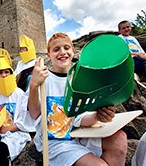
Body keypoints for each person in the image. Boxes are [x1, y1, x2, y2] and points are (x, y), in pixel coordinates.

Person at [25, 33, 127, 166]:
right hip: (55, 139)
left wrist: (98, 116)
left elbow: (79, 118)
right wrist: (33, 86)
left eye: (66, 48)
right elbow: (34, 114)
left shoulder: (79, 80)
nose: (62, 52)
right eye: (56, 49)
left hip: (78, 134)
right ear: (48, 55)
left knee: (119, 139)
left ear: (73, 51)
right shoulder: (43, 79)